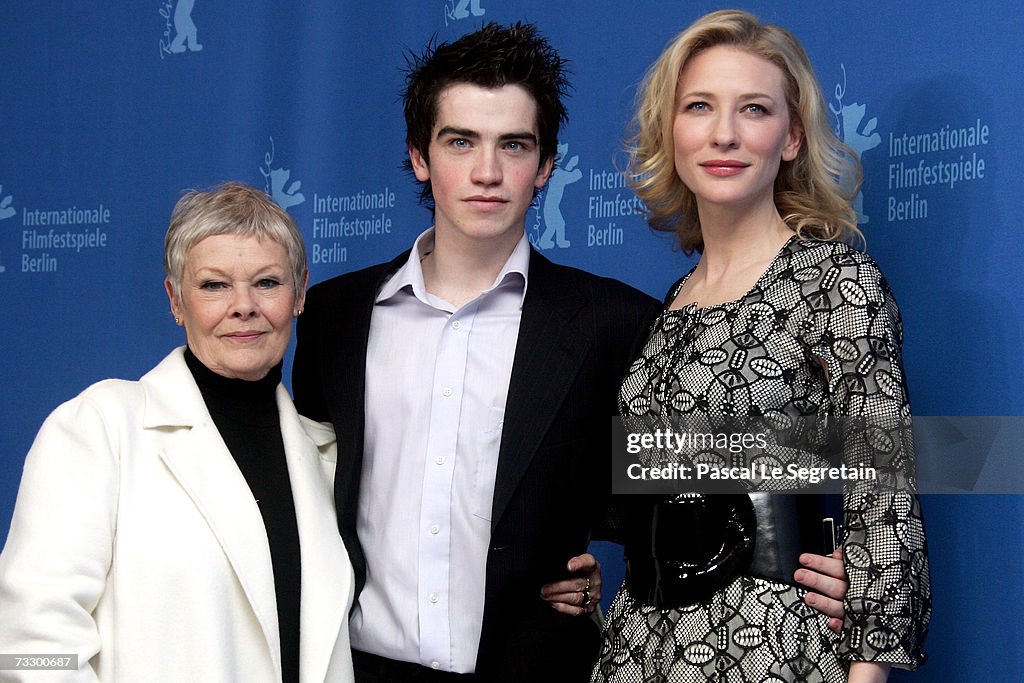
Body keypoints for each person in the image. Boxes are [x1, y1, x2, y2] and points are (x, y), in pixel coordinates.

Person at [293, 21, 851, 682]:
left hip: (535, 666)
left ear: (548, 164)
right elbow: (299, 485)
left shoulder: (617, 322)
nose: (487, 171)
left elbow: (698, 480)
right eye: (460, 141)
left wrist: (803, 551)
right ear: (420, 156)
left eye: (515, 145)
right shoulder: (336, 315)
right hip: (355, 668)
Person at [594, 10, 930, 683]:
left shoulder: (837, 283)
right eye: (700, 107)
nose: (724, 133)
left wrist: (866, 669)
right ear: (672, 131)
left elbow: (885, 495)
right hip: (639, 644)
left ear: (791, 136)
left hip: (765, 645)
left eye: (754, 109)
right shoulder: (668, 306)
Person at [0, 182, 354, 683]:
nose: (243, 306)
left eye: (267, 282)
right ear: (175, 300)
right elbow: (24, 647)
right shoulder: (102, 429)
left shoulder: (327, 457)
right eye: (214, 285)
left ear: (299, 293)